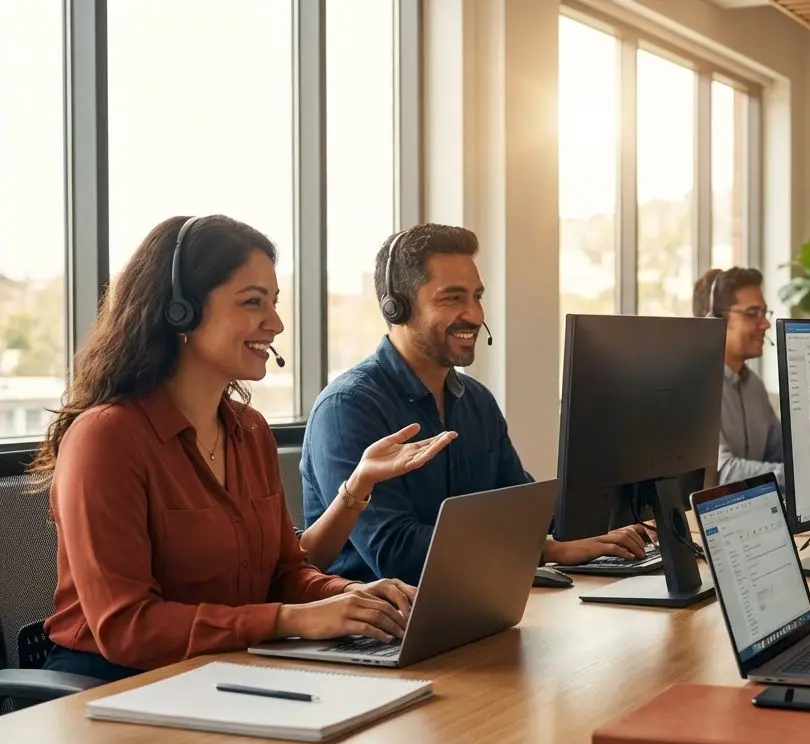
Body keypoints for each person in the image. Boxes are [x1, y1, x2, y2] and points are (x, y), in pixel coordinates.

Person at [28, 215, 451, 683]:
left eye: (274, 302)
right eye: (253, 302)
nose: (276, 323)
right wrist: (290, 620)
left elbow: (284, 575)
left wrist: (352, 597)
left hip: (227, 671)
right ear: (181, 311)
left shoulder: (249, 430)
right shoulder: (106, 438)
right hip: (113, 684)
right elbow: (127, 626)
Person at [301, 223, 651, 585]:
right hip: (384, 613)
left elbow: (522, 508)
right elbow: (397, 552)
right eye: (453, 298)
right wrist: (547, 550)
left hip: (475, 595)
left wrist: (614, 522)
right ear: (397, 307)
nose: (475, 315)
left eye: (477, 297)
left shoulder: (476, 400)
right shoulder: (348, 407)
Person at [692, 267, 785, 491]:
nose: (766, 324)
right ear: (715, 320)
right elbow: (722, 473)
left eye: (764, 312)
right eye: (753, 313)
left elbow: (781, 452)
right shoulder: (695, 388)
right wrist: (799, 476)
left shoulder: (754, 386)